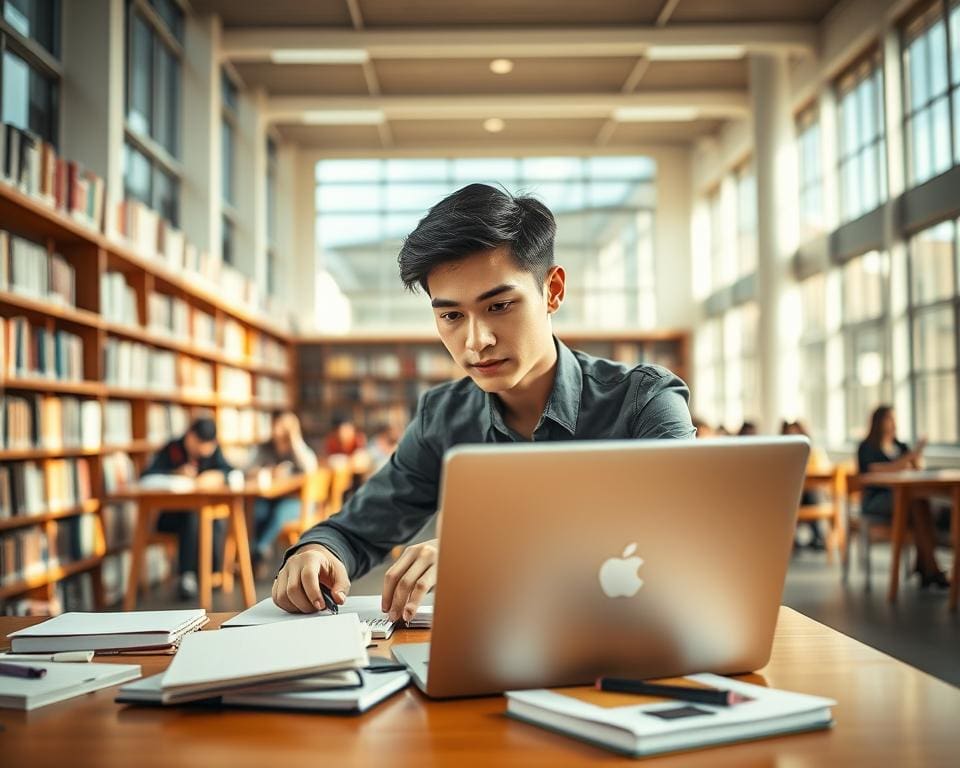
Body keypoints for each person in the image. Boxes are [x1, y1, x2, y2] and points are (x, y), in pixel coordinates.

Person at [272, 183, 696, 620]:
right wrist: (318, 551)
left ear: (552, 291)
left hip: (637, 640)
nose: (477, 341)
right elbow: (358, 529)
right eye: (451, 316)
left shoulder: (645, 400)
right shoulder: (443, 417)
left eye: (499, 306)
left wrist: (487, 553)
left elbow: (685, 536)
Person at [142, 417, 234, 599]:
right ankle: (187, 576)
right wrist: (174, 473)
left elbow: (231, 471)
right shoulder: (172, 448)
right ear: (190, 436)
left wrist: (217, 476)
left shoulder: (213, 452)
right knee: (192, 515)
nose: (203, 451)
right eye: (199, 444)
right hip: (171, 518)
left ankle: (210, 573)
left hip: (204, 517)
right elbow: (147, 476)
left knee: (212, 519)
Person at [857, 405, 947, 589]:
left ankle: (927, 567)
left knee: (921, 502)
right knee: (915, 503)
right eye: (889, 418)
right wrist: (906, 460)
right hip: (877, 499)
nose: (893, 423)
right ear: (879, 421)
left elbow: (916, 469)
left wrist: (916, 456)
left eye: (894, 418)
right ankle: (930, 568)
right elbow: (874, 470)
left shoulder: (901, 445)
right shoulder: (866, 447)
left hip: (903, 498)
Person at [249, 413, 318, 572]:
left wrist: (294, 438)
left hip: (300, 503)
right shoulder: (265, 447)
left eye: (284, 426)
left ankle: (257, 550)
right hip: (271, 498)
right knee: (258, 510)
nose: (278, 430)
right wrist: (269, 471)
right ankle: (257, 555)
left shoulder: (298, 449)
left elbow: (310, 468)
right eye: (277, 425)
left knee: (279, 513)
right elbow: (247, 469)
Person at [781, 419, 827, 551]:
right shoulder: (780, 457)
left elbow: (822, 470)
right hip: (788, 498)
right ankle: (797, 539)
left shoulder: (813, 454)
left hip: (807, 495)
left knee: (813, 494)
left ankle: (818, 536)